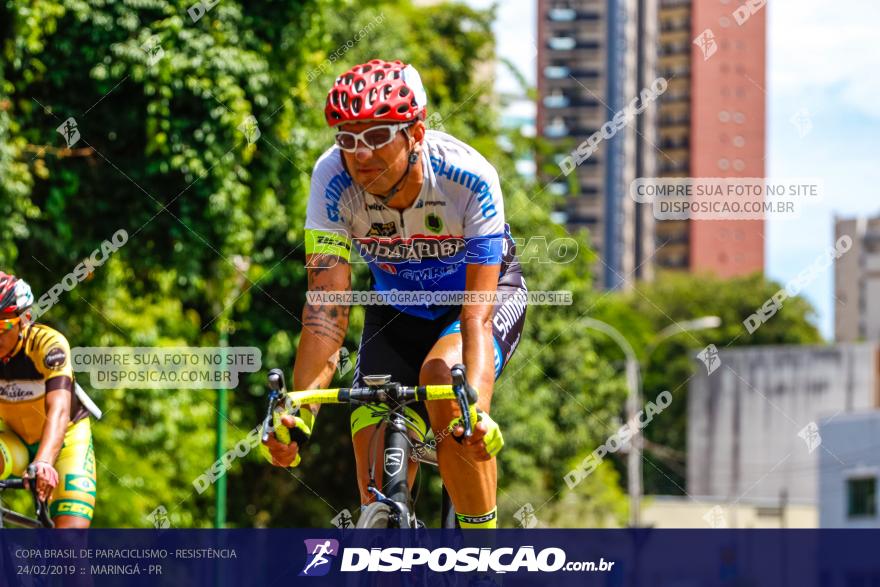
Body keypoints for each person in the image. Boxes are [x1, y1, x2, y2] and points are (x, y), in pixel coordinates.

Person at [263, 59, 527, 529]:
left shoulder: (469, 177)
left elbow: (476, 319)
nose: (361, 154)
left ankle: (481, 561)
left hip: (473, 303)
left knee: (443, 381)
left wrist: (477, 412)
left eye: (379, 135)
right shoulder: (332, 180)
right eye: (348, 139)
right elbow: (326, 310)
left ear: (417, 132)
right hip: (396, 307)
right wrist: (295, 412)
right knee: (372, 479)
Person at [0, 272, 99, 527]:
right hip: (15, 441)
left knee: (68, 543)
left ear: (25, 320)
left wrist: (43, 462)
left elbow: (59, 409)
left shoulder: (48, 345)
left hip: (66, 440)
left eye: (1, 328)